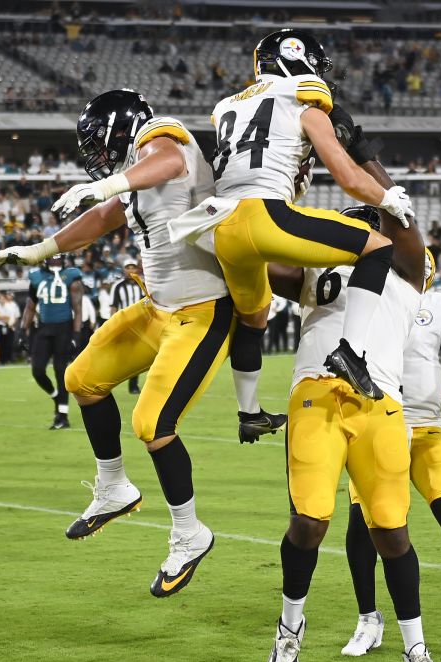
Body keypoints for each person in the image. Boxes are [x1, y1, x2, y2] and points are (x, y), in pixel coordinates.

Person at [0, 90, 285, 598]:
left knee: (151, 422)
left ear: (118, 129)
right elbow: (105, 218)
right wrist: (40, 250)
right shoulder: (130, 176)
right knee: (81, 378)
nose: (94, 156)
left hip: (203, 311)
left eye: (96, 144)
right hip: (158, 309)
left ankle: (190, 533)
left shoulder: (162, 137)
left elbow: (168, 161)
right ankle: (113, 487)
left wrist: (109, 182)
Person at [261, 150, 441, 662]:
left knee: (392, 532)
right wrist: (278, 202)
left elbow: (405, 227)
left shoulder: (407, 267)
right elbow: (268, 260)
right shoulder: (319, 265)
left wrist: (368, 164)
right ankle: (289, 634)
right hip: (317, 393)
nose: (363, 228)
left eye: (368, 221)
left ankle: (417, 654)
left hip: (382, 404)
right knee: (311, 522)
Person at [168, 29, 416, 406]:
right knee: (378, 249)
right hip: (263, 217)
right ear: (296, 58)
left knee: (253, 316)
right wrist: (387, 198)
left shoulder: (227, 107)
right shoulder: (305, 104)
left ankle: (248, 411)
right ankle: (350, 352)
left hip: (220, 227)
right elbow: (348, 179)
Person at [341, 248, 441, 659]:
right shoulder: (370, 300)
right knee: (362, 525)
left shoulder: (437, 306)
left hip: (426, 432)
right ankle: (368, 619)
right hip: (379, 429)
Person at [23, 256, 84, 429]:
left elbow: (78, 309)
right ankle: (56, 396)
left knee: (60, 370)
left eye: (59, 260)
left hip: (64, 328)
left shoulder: (71, 276)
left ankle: (62, 416)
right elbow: (30, 306)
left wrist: (77, 334)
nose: (56, 263)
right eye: (53, 260)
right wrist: (22, 330)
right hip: (43, 328)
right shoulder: (36, 277)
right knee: (37, 370)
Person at [110, 259, 147, 394]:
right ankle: (109, 381)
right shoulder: (118, 286)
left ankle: (133, 385)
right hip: (123, 324)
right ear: (123, 270)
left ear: (137, 269)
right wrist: (113, 325)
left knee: (136, 356)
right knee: (120, 355)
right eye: (128, 267)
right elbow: (113, 306)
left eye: (133, 267)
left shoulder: (143, 284)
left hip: (140, 325)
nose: (130, 270)